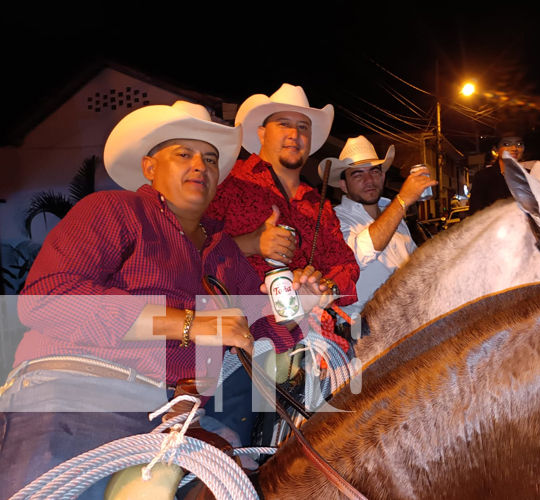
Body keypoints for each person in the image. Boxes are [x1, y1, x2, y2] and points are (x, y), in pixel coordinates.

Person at [0, 101, 323, 499]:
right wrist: (190, 323)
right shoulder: (111, 210)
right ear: (150, 168)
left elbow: (253, 337)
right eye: (184, 154)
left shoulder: (226, 254)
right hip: (82, 394)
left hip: (181, 418)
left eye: (209, 158)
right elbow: (48, 298)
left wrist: (298, 312)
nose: (201, 166)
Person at [206, 83, 360, 325]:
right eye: (283, 124)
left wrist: (323, 286)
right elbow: (189, 250)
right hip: (242, 335)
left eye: (302, 127)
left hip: (314, 338)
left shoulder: (319, 205)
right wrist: (249, 244)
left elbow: (346, 265)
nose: (294, 134)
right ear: (262, 133)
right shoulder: (229, 181)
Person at [323, 136, 437, 322]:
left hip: (409, 321)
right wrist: (402, 201)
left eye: (374, 172)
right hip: (363, 328)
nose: (369, 180)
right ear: (343, 185)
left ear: (383, 177)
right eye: (358, 174)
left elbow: (415, 266)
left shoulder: (395, 216)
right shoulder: (335, 219)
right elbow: (354, 257)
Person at [468, 119, 540, 214]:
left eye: (519, 144)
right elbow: (475, 214)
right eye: (506, 144)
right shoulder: (483, 177)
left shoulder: (530, 176)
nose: (514, 149)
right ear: (495, 149)